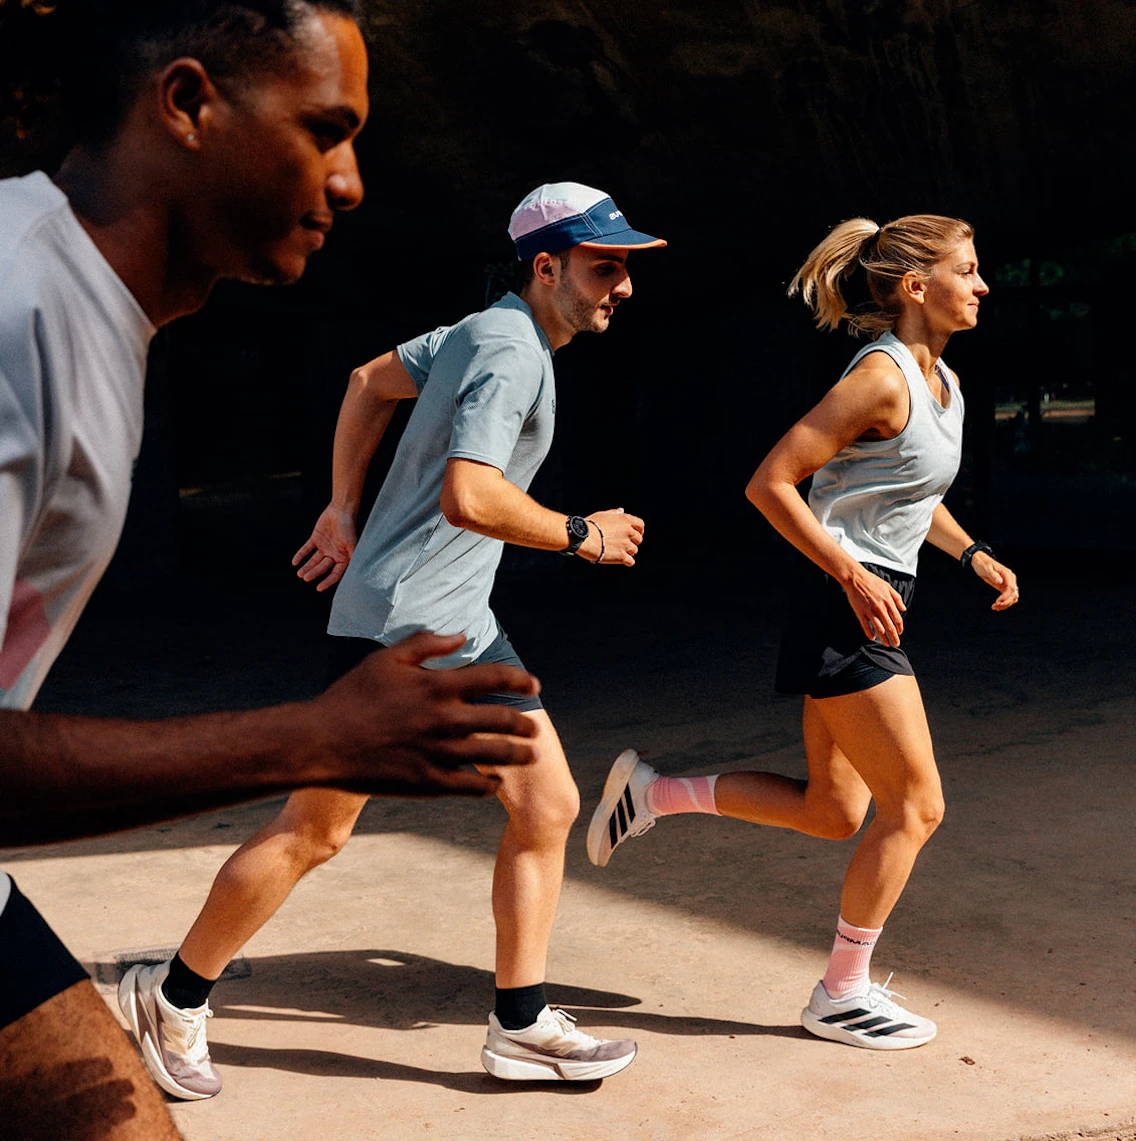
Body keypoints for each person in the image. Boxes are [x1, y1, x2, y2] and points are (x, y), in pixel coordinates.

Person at [0, 3, 539, 1137]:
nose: (347, 183)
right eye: (322, 131)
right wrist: (315, 734)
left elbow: (367, 382)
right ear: (187, 103)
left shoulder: (95, 317)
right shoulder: (18, 313)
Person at [124, 180, 666, 1095]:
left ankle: (521, 1023)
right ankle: (171, 998)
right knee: (313, 832)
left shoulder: (482, 327)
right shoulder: (510, 351)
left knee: (548, 804)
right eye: (604, 266)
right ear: (546, 266)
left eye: (626, 267)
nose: (623, 286)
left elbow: (368, 381)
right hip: (405, 633)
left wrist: (343, 510)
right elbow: (472, 494)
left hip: (454, 620)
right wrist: (582, 533)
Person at [587, 214, 1020, 1051]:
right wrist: (851, 574)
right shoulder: (880, 378)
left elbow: (910, 494)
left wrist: (973, 556)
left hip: (870, 598)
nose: (982, 284)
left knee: (831, 810)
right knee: (917, 805)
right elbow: (771, 482)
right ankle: (841, 991)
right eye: (967, 270)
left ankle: (652, 792)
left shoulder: (944, 385)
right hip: (845, 606)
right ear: (916, 287)